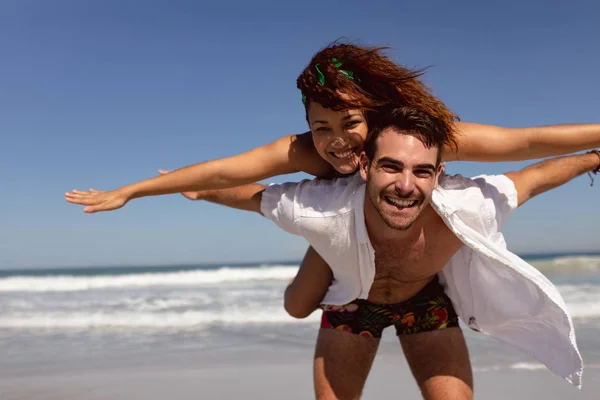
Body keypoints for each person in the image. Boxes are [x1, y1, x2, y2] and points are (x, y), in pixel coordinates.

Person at [65, 42, 600, 320]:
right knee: (298, 305)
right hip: (337, 220)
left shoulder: (418, 137)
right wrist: (131, 191)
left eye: (350, 124)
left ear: (377, 114)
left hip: (403, 225)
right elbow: (231, 168)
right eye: (321, 127)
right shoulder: (305, 152)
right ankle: (330, 248)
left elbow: (526, 141)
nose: (338, 141)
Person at [183, 106, 596, 399]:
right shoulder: (325, 206)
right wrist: (194, 187)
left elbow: (534, 176)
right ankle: (325, 255)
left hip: (425, 299)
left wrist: (593, 158)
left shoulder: (467, 204)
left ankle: (329, 254)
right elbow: (252, 195)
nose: (404, 184)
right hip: (350, 303)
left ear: (438, 174)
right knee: (297, 304)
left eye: (420, 171)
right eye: (391, 167)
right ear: (365, 166)